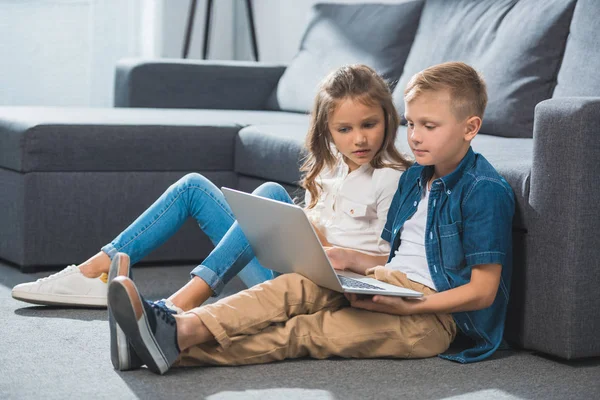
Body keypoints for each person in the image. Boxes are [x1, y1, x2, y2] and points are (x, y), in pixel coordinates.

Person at [107, 61, 515, 374]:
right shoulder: (415, 179)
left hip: (432, 320)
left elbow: (483, 291)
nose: (415, 136)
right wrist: (351, 260)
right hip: (387, 283)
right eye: (411, 124)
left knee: (306, 331)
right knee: (294, 288)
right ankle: (179, 326)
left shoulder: (484, 191)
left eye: (429, 126)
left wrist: (412, 307)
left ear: (470, 127)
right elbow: (395, 259)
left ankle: (174, 347)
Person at [12, 64, 412, 369]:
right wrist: (304, 235)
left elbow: (389, 263)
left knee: (272, 194)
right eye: (344, 129)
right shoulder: (331, 168)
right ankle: (98, 271)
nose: (358, 139)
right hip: (293, 270)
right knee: (195, 188)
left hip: (319, 293)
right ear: (327, 131)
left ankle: (173, 306)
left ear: (388, 119)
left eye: (369, 125)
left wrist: (329, 250)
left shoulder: (390, 178)